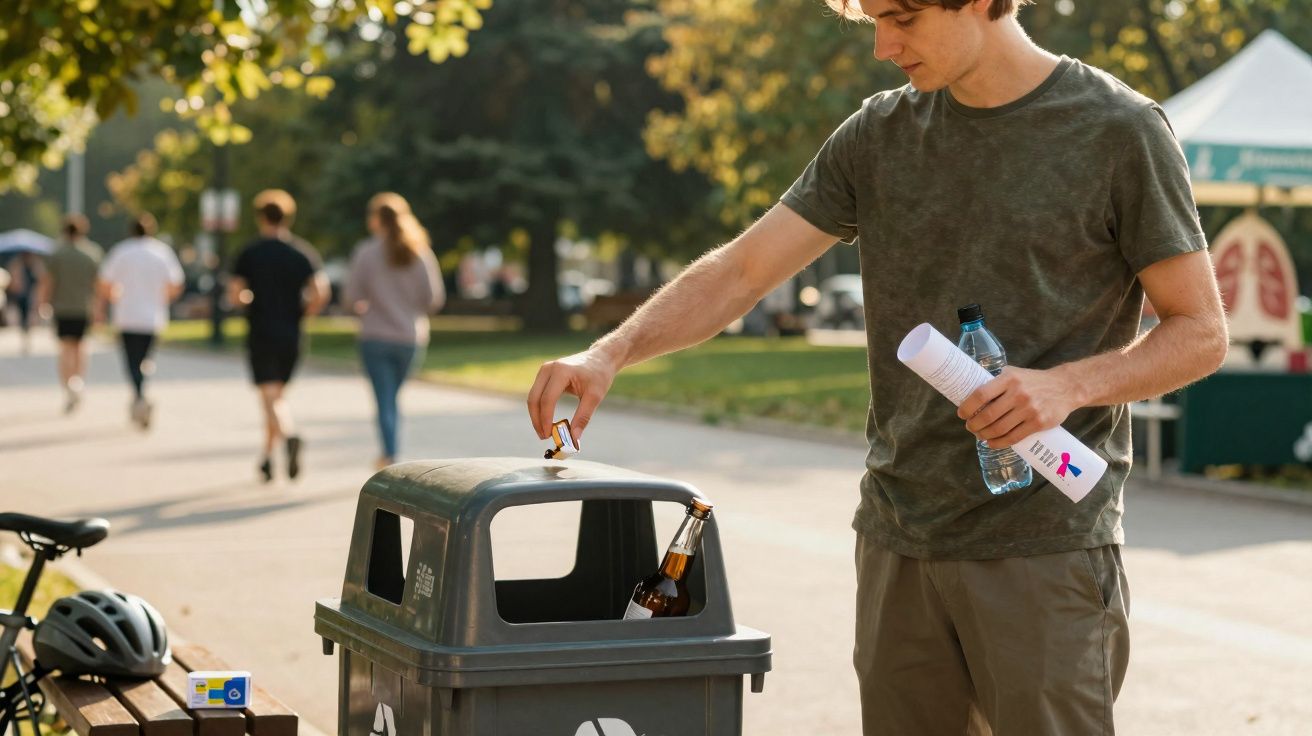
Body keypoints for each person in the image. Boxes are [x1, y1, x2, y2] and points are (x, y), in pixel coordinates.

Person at [527, 1, 1229, 734]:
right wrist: (611, 351)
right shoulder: (878, 133)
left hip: (1044, 546)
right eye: (872, 22)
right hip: (899, 539)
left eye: (902, 18)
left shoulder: (1120, 130)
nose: (882, 47)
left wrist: (1069, 386)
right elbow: (742, 271)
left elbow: (1201, 331)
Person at [228, 189, 330, 482]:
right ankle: (267, 459)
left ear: (261, 217)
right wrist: (304, 312)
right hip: (291, 333)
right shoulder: (302, 253)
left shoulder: (250, 253)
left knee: (271, 398)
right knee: (276, 397)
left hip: (261, 331)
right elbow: (321, 292)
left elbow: (236, 294)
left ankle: (289, 436)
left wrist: (248, 301)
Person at [342, 193, 445, 470]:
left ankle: (389, 455)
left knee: (385, 399)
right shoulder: (420, 251)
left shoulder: (366, 252)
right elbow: (434, 299)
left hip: (375, 336)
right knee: (391, 398)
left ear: (377, 219)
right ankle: (390, 452)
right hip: (410, 338)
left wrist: (365, 307)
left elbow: (351, 299)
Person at [98, 213, 184, 429]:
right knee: (145, 359)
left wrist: (114, 298)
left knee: (131, 362)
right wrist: (163, 298)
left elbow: (105, 283)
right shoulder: (161, 253)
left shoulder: (122, 251)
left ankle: (139, 395)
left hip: (127, 316)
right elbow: (176, 283)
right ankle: (141, 393)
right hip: (152, 317)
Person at [38, 214, 104, 413]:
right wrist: (99, 309)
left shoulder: (58, 254)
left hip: (63, 308)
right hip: (84, 308)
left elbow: (47, 282)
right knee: (80, 347)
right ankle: (78, 381)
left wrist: (42, 304)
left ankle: (68, 387)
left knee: (65, 348)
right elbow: (98, 286)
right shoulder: (92, 253)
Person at [7, 250, 45, 355]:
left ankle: (27, 335)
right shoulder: (17, 264)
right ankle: (25, 335)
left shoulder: (35, 265)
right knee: (23, 316)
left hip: (31, 295)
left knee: (29, 316)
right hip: (21, 295)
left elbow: (41, 279)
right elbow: (13, 280)